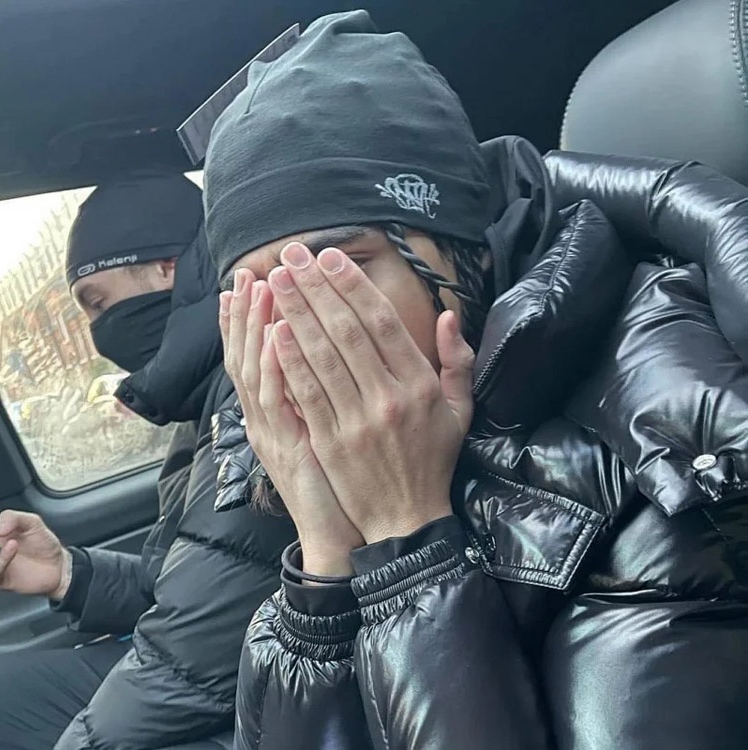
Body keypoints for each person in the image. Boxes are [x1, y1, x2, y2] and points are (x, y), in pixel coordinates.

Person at [204, 11, 748, 750]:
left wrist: (405, 534)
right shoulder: (294, 462)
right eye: (258, 296)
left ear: (468, 254)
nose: (301, 334)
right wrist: (325, 558)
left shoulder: (658, 463)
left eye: (341, 272)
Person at [0, 172, 295, 750]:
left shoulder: (253, 385)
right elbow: (188, 582)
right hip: (218, 672)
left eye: (98, 302)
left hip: (261, 697)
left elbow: (195, 655)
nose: (97, 332)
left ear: (165, 268)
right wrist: (67, 574)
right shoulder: (203, 401)